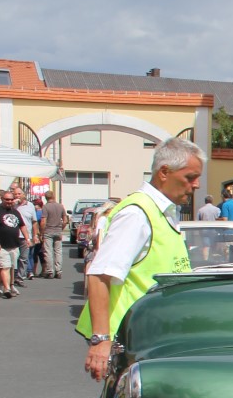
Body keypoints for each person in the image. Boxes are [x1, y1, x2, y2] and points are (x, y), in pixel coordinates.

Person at [79, 138, 203, 380]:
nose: (196, 185)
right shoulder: (137, 214)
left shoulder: (159, 210)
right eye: (190, 177)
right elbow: (100, 275)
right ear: (164, 172)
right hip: (130, 340)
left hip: (148, 336)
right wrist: (101, 340)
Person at [0, 190, 26, 299]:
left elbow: (22, 225)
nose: (9, 201)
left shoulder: (15, 212)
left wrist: (28, 238)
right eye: (7, 199)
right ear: (2, 199)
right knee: (4, 267)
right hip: (1, 245)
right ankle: (6, 288)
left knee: (12, 267)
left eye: (11, 199)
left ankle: (11, 285)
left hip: (14, 244)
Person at [40, 192, 68, 278]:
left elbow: (43, 221)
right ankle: (58, 271)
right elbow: (65, 220)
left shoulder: (45, 207)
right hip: (58, 231)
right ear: (54, 196)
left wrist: (41, 232)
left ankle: (50, 271)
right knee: (58, 251)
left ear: (45, 198)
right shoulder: (60, 206)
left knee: (48, 252)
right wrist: (61, 229)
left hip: (48, 231)